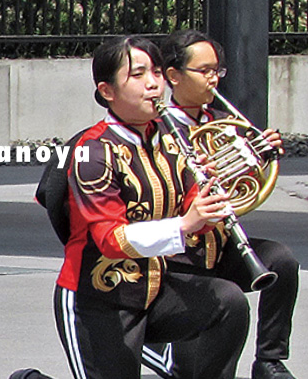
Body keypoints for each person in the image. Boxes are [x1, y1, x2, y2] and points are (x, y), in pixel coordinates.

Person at [51, 35, 249, 379]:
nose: (154, 84)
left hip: (154, 288)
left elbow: (189, 206)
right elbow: (111, 239)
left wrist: (207, 198)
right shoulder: (92, 152)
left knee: (227, 302)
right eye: (138, 75)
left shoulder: (173, 137)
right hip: (97, 300)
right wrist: (186, 223)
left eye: (156, 72)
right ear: (107, 91)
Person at [145, 30, 298, 379]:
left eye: (218, 70)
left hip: (218, 243)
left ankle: (270, 360)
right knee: (195, 362)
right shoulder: (155, 128)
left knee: (282, 261)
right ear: (174, 76)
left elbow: (241, 190)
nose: (214, 78)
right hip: (179, 257)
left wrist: (259, 155)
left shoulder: (218, 124)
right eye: (205, 70)